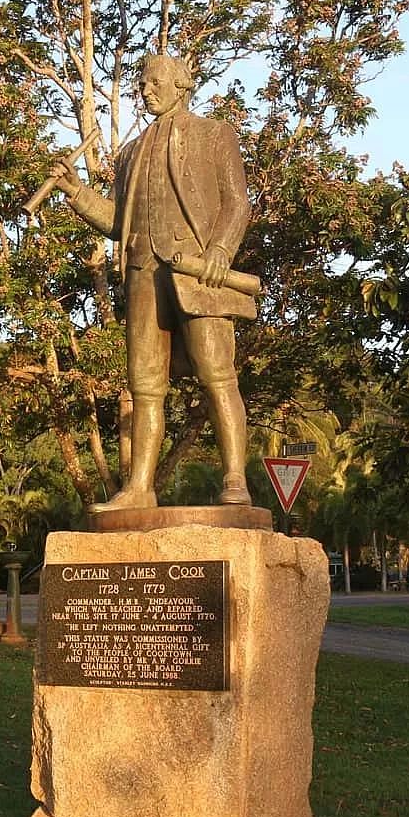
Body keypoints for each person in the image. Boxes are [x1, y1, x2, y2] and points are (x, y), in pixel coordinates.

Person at [52, 53, 254, 510]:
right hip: (144, 273)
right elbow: (119, 221)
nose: (145, 90)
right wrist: (77, 193)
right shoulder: (130, 153)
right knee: (144, 385)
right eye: (142, 84)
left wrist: (221, 250)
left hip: (196, 273)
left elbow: (238, 204)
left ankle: (236, 480)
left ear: (182, 84)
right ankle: (140, 487)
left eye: (154, 82)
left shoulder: (214, 135)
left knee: (216, 373)